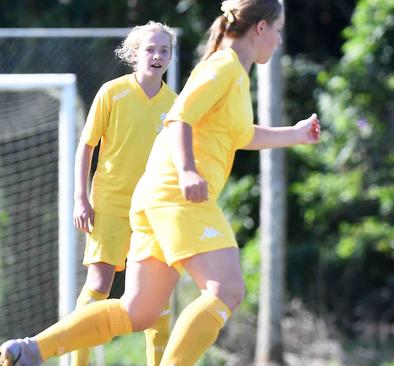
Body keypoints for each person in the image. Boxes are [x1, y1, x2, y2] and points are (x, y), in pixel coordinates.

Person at [0, 1, 320, 365]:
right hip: (176, 196)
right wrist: (187, 171)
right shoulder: (223, 66)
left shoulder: (233, 72)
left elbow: (239, 134)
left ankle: (30, 349)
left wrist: (294, 135)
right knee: (226, 290)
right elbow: (179, 118)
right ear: (260, 28)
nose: (279, 39)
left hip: (153, 199)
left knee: (138, 311)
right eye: (277, 29)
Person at [71, 21, 177, 366]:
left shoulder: (176, 104)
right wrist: (81, 197)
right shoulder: (112, 92)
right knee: (99, 285)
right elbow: (86, 147)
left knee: (158, 296)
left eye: (164, 50)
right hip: (111, 204)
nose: (157, 55)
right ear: (134, 55)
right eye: (150, 49)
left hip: (153, 211)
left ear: (171, 57)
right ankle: (78, 362)